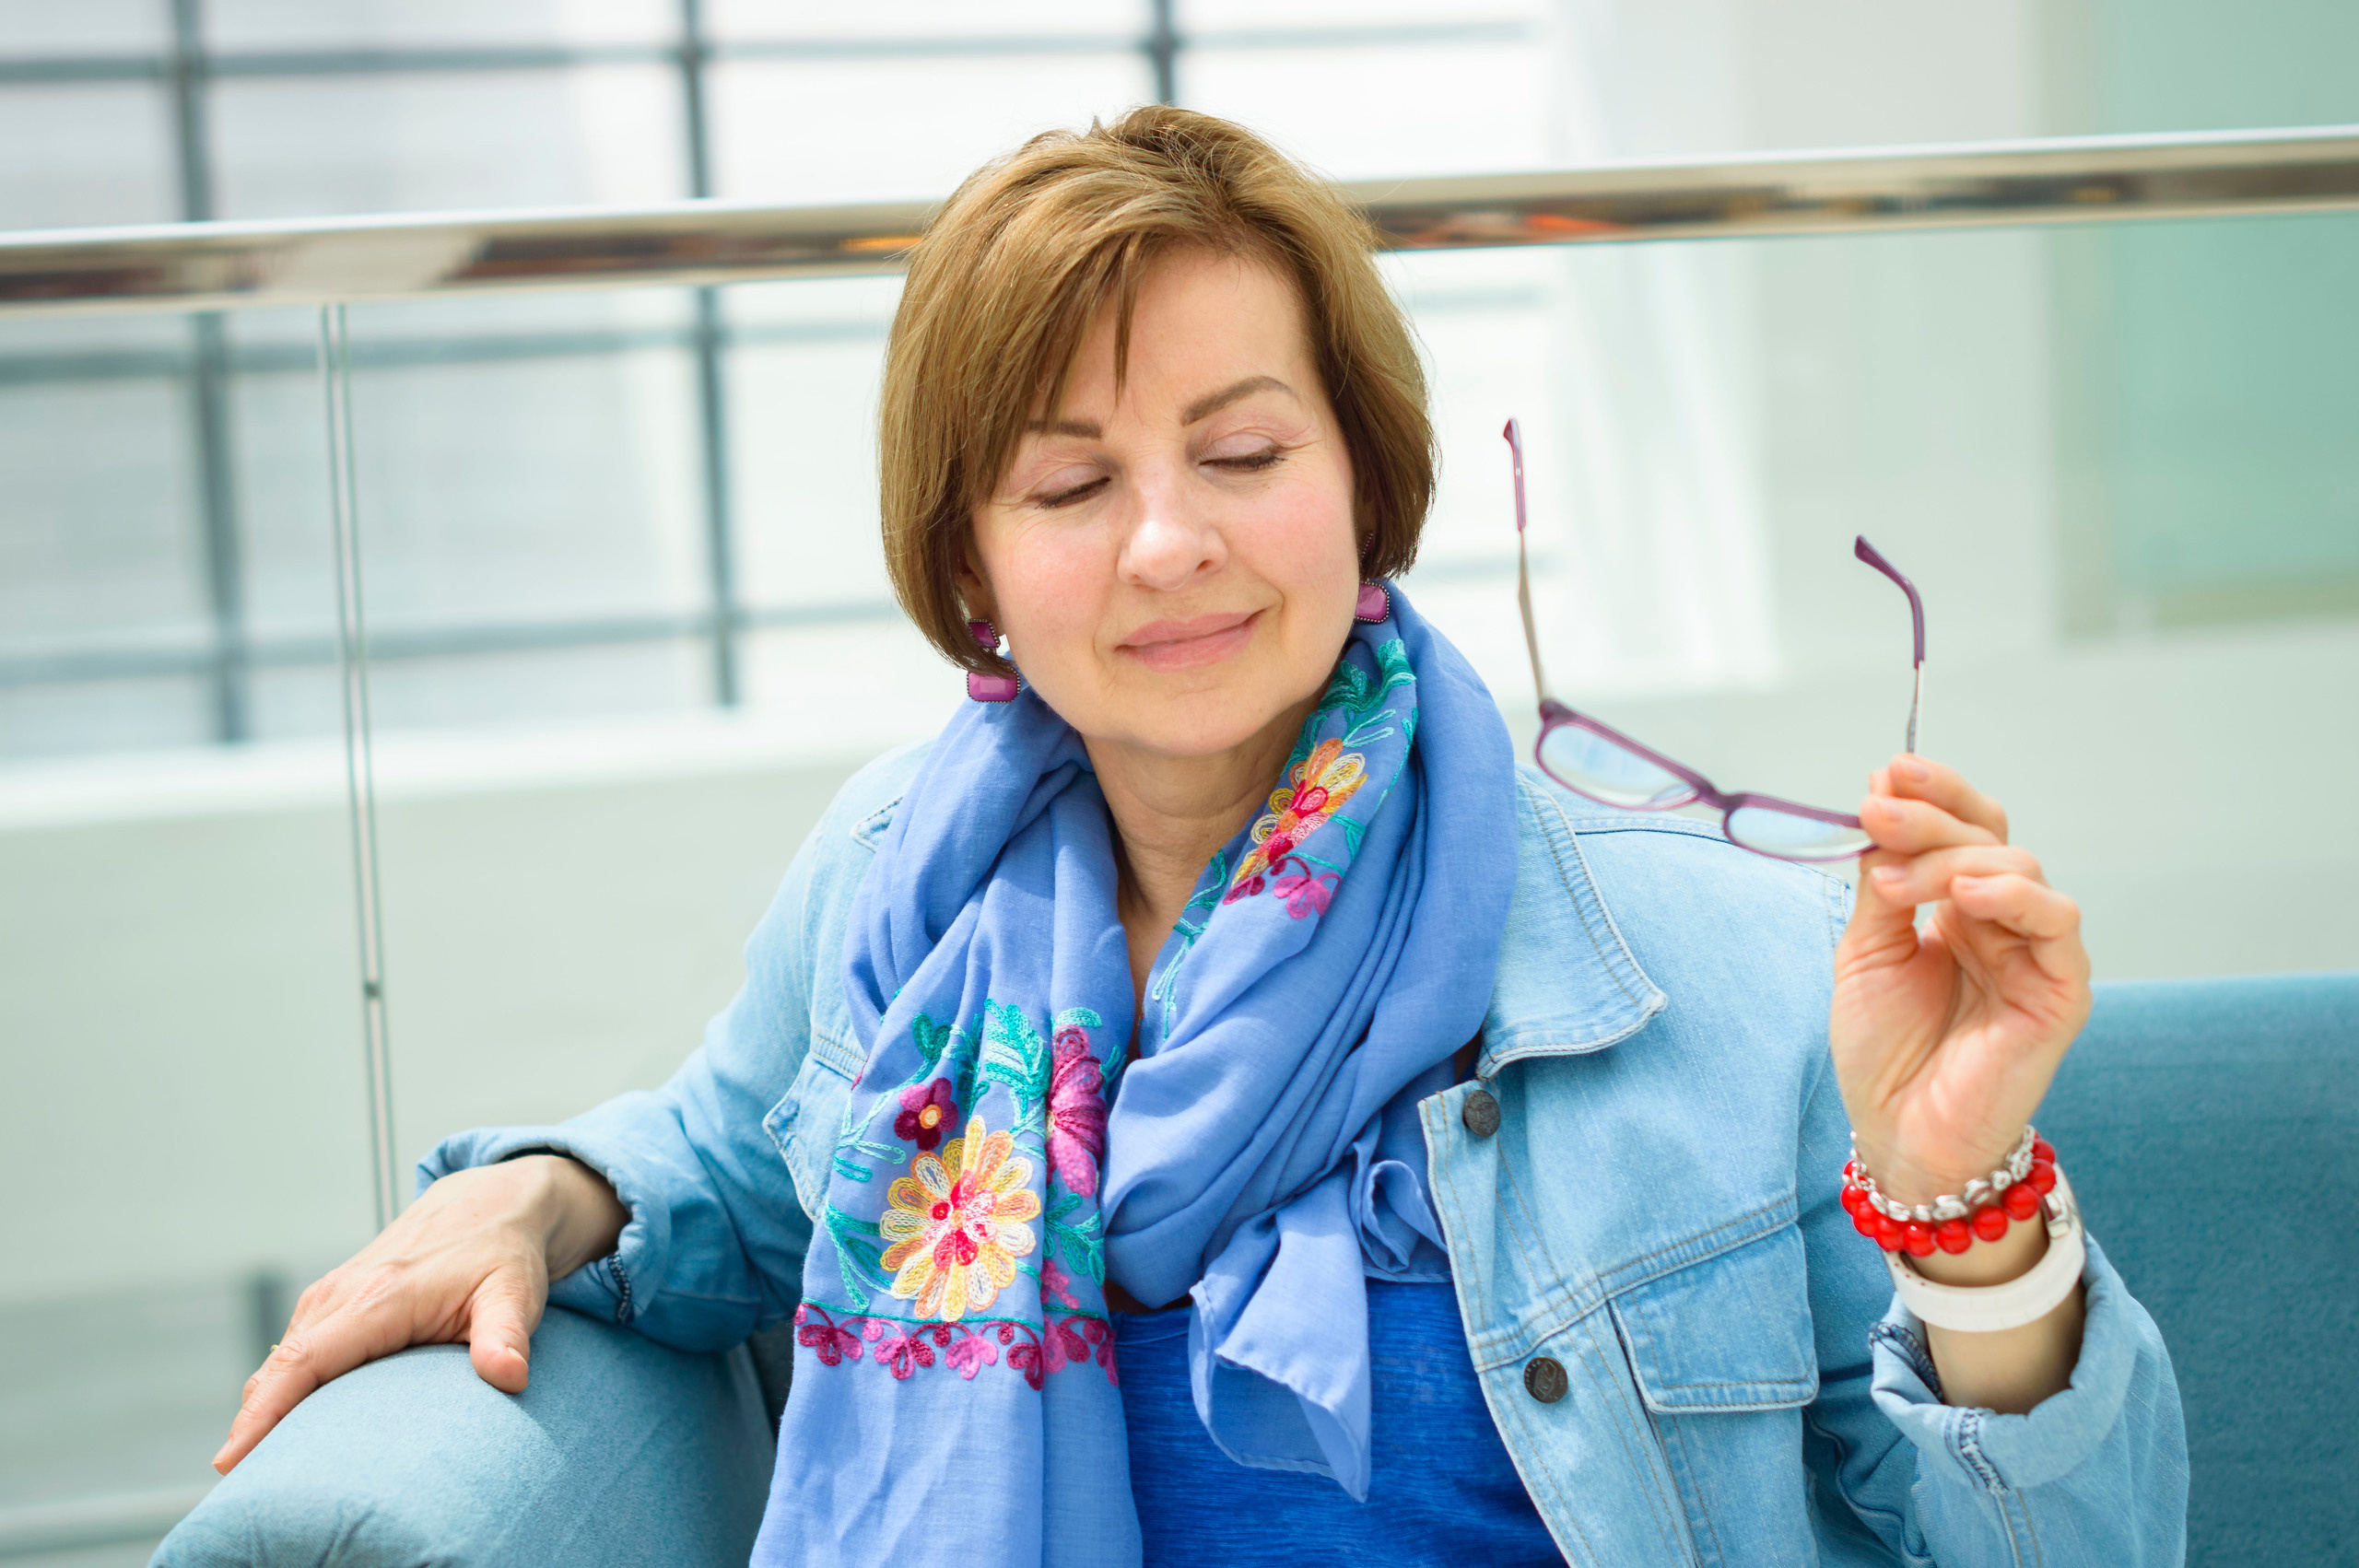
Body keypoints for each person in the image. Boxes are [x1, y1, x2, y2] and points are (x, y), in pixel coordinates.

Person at [210, 107, 2185, 1566]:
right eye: (1071, 481)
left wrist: (1967, 1206)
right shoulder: (905, 878)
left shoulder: (1713, 967)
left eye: (1242, 452)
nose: (1169, 543)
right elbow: (736, 1156)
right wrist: (548, 1187)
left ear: (1362, 478)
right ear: (970, 566)